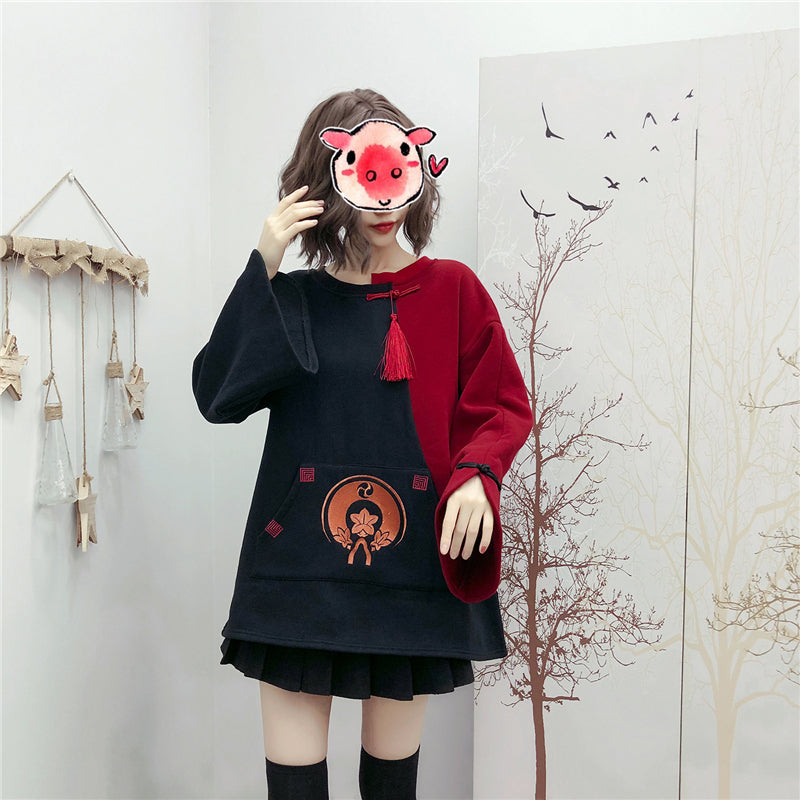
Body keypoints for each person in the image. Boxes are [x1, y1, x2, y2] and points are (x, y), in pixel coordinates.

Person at [191, 88, 533, 800]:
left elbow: (500, 403)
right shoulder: (294, 299)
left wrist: (477, 475)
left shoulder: (453, 290)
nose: (382, 200)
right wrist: (263, 264)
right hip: (298, 573)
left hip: (410, 569)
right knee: (294, 789)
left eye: (396, 173)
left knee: (390, 788)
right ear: (326, 182)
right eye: (362, 175)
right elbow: (217, 394)